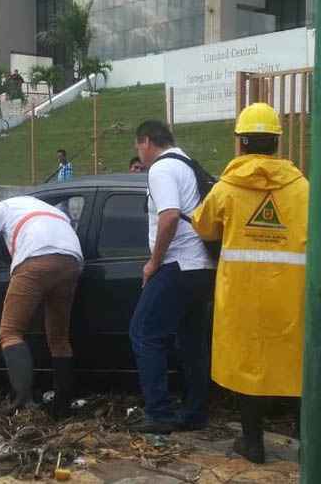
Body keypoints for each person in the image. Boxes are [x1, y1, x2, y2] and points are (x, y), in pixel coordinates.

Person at [191, 103, 309, 463]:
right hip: (291, 295)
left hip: (242, 296)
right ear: (277, 141)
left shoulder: (228, 188)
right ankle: (309, 448)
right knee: (297, 366)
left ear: (241, 142)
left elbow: (204, 226)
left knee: (249, 368)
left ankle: (253, 444)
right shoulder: (301, 188)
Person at [129, 120, 216, 434]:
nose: (139, 155)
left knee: (143, 332)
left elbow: (168, 217)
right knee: (192, 341)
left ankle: (160, 413)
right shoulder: (188, 164)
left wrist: (153, 263)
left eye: (138, 147)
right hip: (203, 266)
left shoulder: (162, 169)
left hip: (178, 263)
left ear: (147, 141)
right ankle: (195, 414)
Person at [0, 195, 83, 418]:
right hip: (71, 261)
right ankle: (62, 405)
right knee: (58, 338)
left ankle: (21, 403)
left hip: (36, 259)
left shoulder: (5, 207)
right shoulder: (53, 211)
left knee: (9, 333)